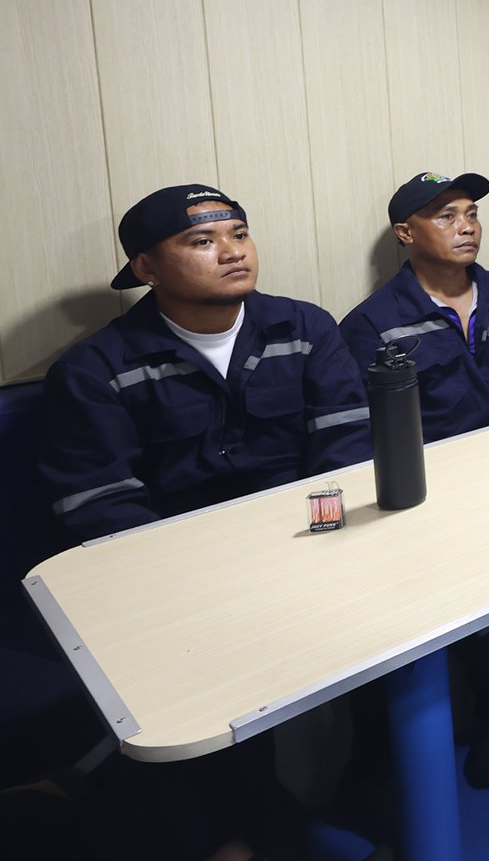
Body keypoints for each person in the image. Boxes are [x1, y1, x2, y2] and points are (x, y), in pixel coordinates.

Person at [38, 184, 371, 859]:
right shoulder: (94, 369)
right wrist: (211, 585)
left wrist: (319, 548)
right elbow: (104, 509)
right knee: (204, 707)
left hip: (313, 553)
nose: (232, 252)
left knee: (394, 651)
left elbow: (343, 457)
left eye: (240, 234)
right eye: (201, 240)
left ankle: (377, 811)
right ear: (146, 268)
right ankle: (251, 834)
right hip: (178, 591)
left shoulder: (305, 329)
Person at [339, 171, 489, 789]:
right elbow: (374, 435)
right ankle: (468, 723)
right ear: (405, 233)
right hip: (435, 501)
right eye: (445, 215)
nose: (466, 225)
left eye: (471, 213)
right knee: (451, 621)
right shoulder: (373, 324)